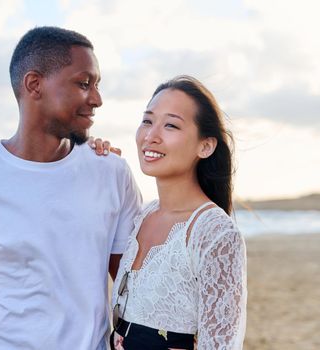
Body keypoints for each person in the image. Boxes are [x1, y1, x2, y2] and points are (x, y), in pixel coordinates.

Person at [0, 26, 142, 350]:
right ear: (34, 84)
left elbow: (134, 291)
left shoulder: (112, 172)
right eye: (84, 84)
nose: (96, 99)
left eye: (96, 85)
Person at [109, 75, 247, 350]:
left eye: (170, 125)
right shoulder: (142, 217)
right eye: (147, 121)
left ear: (205, 146)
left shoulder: (214, 233)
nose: (151, 135)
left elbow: (219, 345)